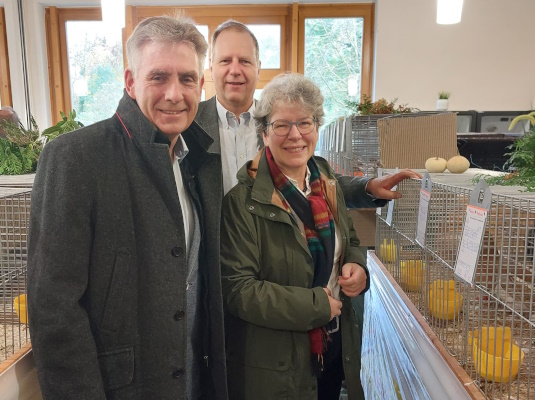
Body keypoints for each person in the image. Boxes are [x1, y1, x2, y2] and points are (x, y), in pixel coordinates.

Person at [27, 15, 227, 400]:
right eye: (158, 77)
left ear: (202, 86)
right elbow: (54, 310)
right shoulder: (75, 158)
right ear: (131, 81)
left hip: (191, 382)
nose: (174, 93)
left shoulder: (199, 161)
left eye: (187, 79)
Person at [220, 73, 369, 400]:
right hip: (278, 362)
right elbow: (238, 290)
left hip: (335, 345)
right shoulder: (242, 202)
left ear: (317, 126)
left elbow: (352, 241)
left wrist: (358, 268)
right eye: (281, 125)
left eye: (305, 123)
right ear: (264, 132)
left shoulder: (326, 179)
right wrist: (316, 306)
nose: (295, 135)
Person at [195, 19, 420, 200]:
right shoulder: (191, 125)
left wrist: (368, 186)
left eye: (244, 61)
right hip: (207, 254)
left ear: (258, 67)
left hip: (267, 253)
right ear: (211, 66)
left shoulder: (277, 124)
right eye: (225, 61)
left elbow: (315, 181)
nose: (235, 70)